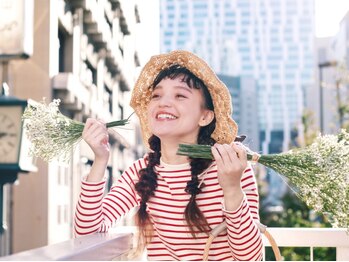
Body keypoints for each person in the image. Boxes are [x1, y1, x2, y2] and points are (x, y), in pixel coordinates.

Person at [74, 50, 263, 261]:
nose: (162, 102)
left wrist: (231, 188)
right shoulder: (141, 171)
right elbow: (87, 233)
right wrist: (100, 159)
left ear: (205, 116)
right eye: (156, 95)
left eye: (180, 95)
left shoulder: (230, 168)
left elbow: (250, 257)